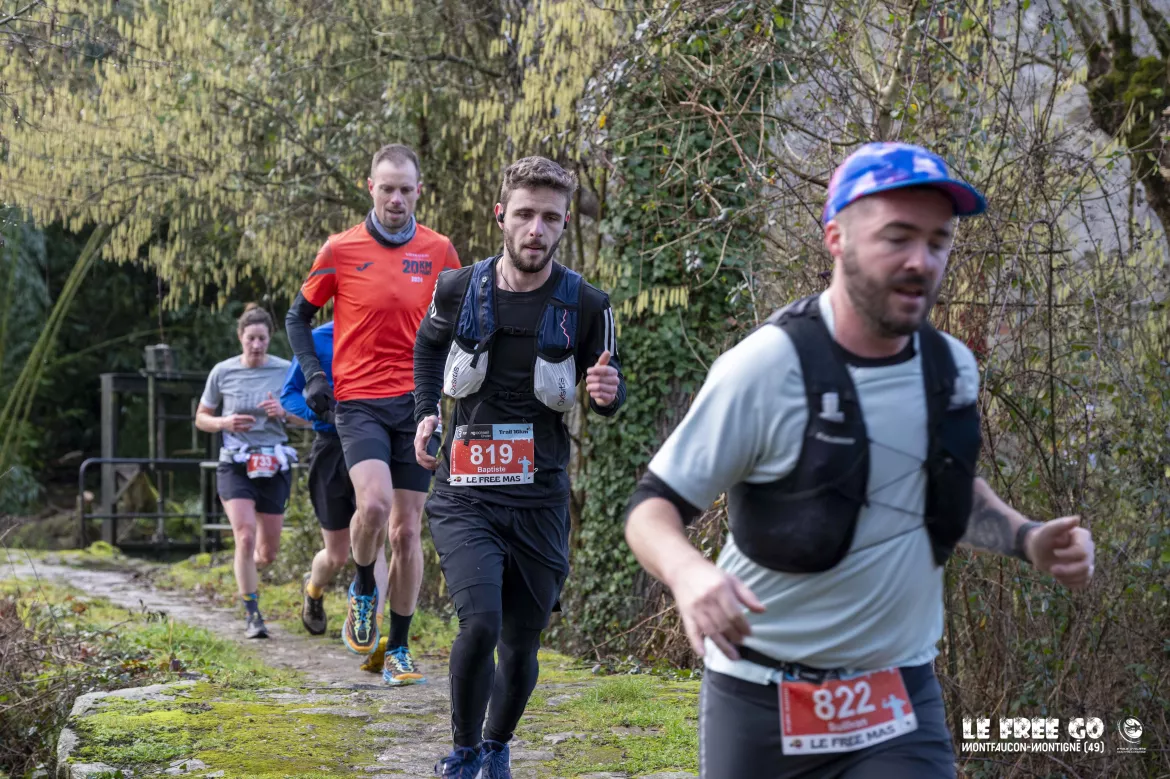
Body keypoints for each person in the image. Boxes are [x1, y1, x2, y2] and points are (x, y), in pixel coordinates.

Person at [623, 142, 1097, 778]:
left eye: (938, 241)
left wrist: (1028, 539)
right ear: (836, 239)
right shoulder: (767, 368)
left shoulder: (951, 368)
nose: (921, 261)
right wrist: (689, 575)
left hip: (897, 699)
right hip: (761, 698)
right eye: (897, 238)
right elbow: (650, 510)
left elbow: (945, 487)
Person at [413, 156, 626, 778]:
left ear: (564, 225)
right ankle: (462, 753)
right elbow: (427, 348)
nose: (537, 229)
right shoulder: (457, 289)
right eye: (526, 214)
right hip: (465, 492)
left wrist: (606, 394)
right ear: (501, 215)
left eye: (551, 218)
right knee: (479, 624)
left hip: (539, 497)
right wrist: (426, 413)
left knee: (520, 644)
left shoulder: (588, 305)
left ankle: (497, 745)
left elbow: (608, 390)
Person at [285, 143, 461, 684]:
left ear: (419, 192)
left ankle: (399, 649)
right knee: (376, 505)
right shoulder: (340, 249)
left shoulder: (440, 251)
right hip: (358, 400)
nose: (396, 199)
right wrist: (314, 376)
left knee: (407, 533)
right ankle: (363, 584)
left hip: (418, 404)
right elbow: (297, 316)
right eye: (387, 188)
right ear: (371, 188)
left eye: (406, 189)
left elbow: (464, 324)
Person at [280, 320, 394, 674]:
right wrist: (322, 411)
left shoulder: (386, 331)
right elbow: (288, 395)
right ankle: (313, 591)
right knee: (337, 554)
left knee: (375, 540)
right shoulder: (317, 339)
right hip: (330, 448)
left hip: (375, 446)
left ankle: (370, 627)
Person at [196, 304, 298, 639]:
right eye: (251, 338)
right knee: (244, 535)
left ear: (270, 339)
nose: (256, 345)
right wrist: (224, 422)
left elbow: (309, 417)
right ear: (240, 337)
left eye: (262, 339)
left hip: (273, 463)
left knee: (266, 553)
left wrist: (283, 412)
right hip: (235, 463)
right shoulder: (222, 372)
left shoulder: (285, 369)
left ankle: (244, 568)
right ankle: (252, 614)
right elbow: (201, 418)